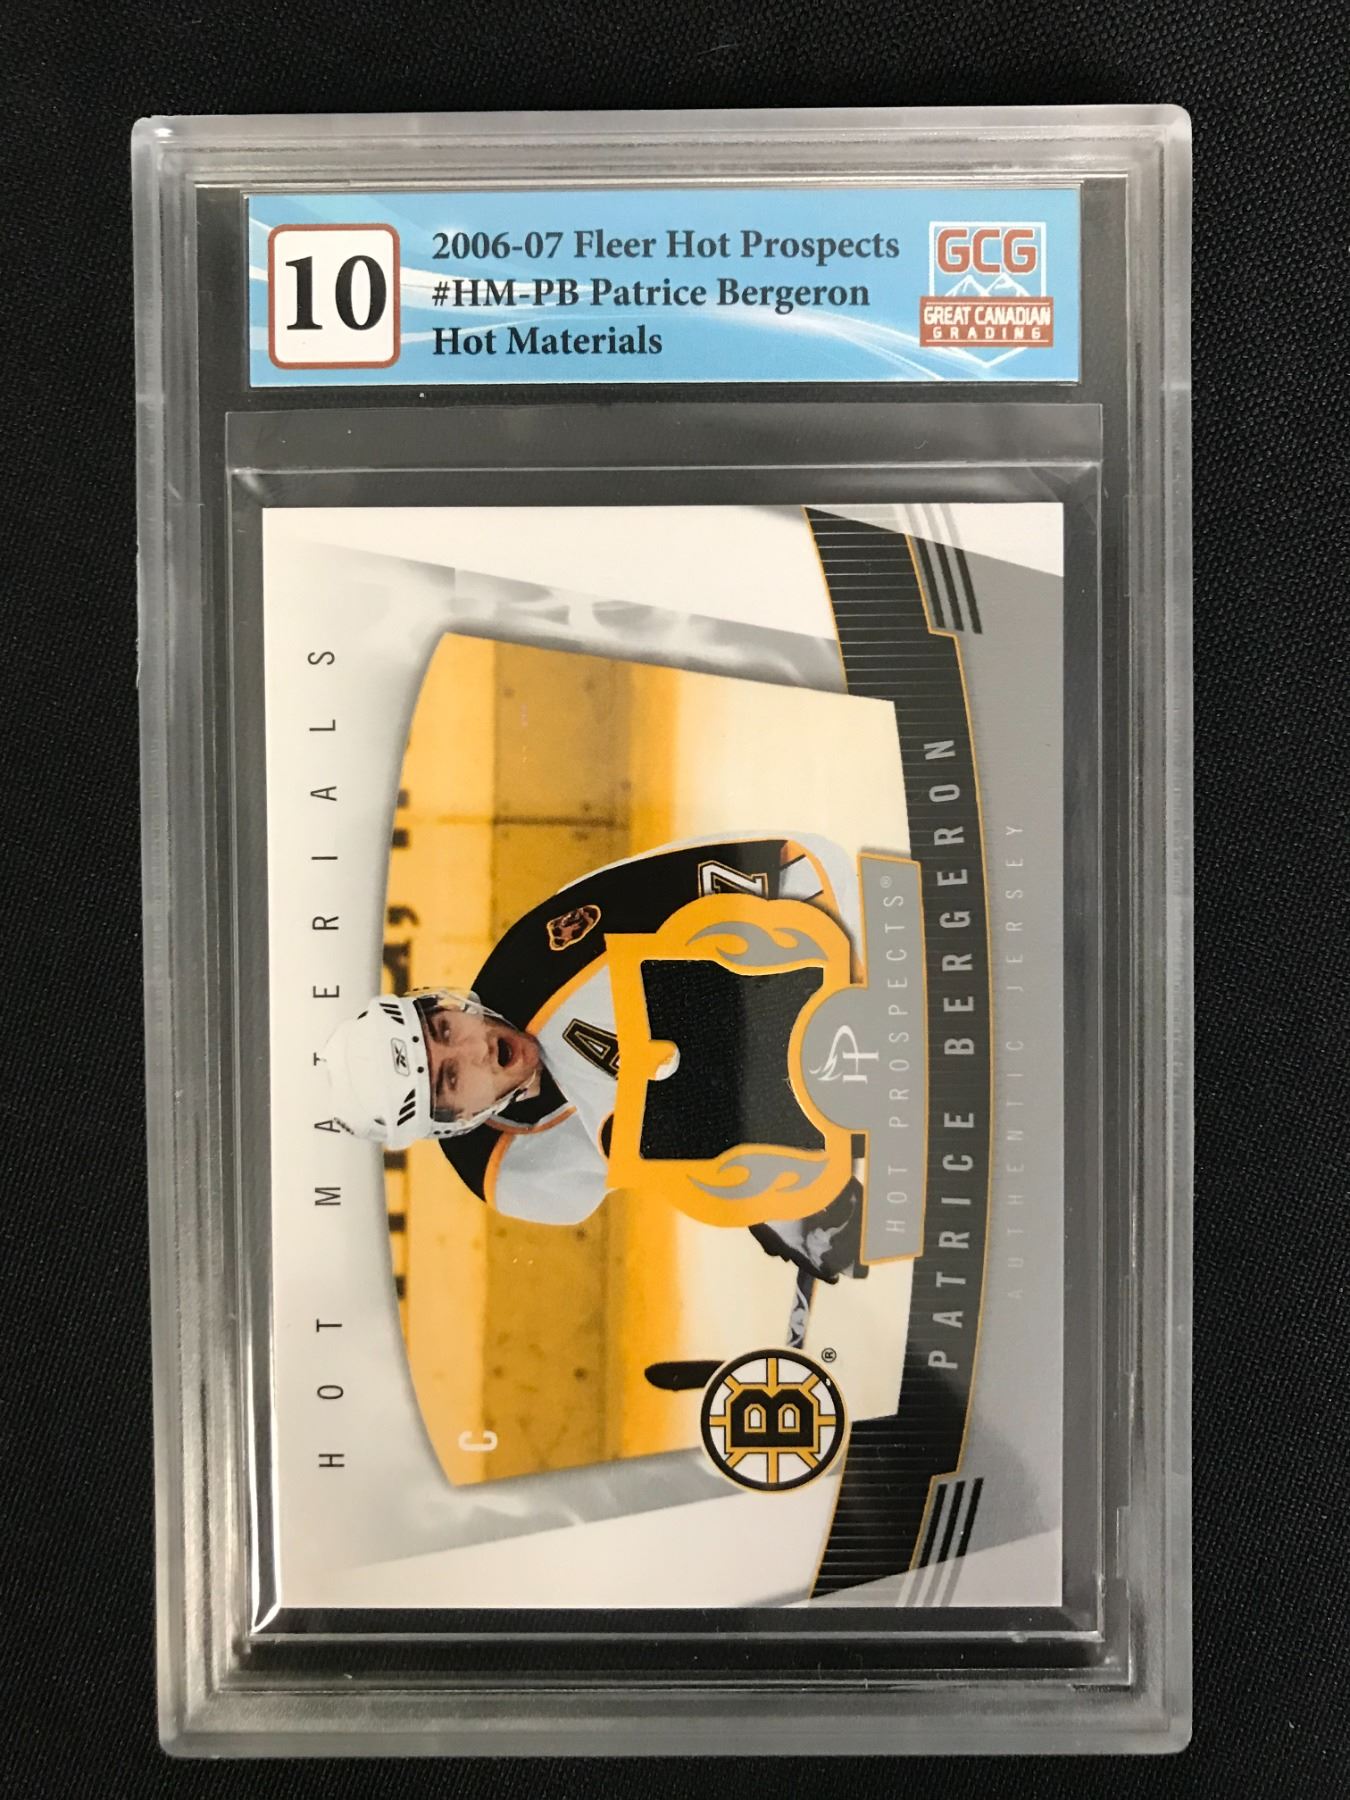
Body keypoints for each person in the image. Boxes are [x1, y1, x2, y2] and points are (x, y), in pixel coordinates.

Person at [321, 835, 865, 1283]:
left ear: (443, 1005)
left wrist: (852, 971)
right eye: (450, 1077)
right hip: (799, 1078)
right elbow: (679, 1142)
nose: (475, 1048)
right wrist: (776, 1200)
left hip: (826, 929)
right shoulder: (504, 1173)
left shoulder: (545, 955)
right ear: (453, 1122)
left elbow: (772, 869)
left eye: (444, 1029)